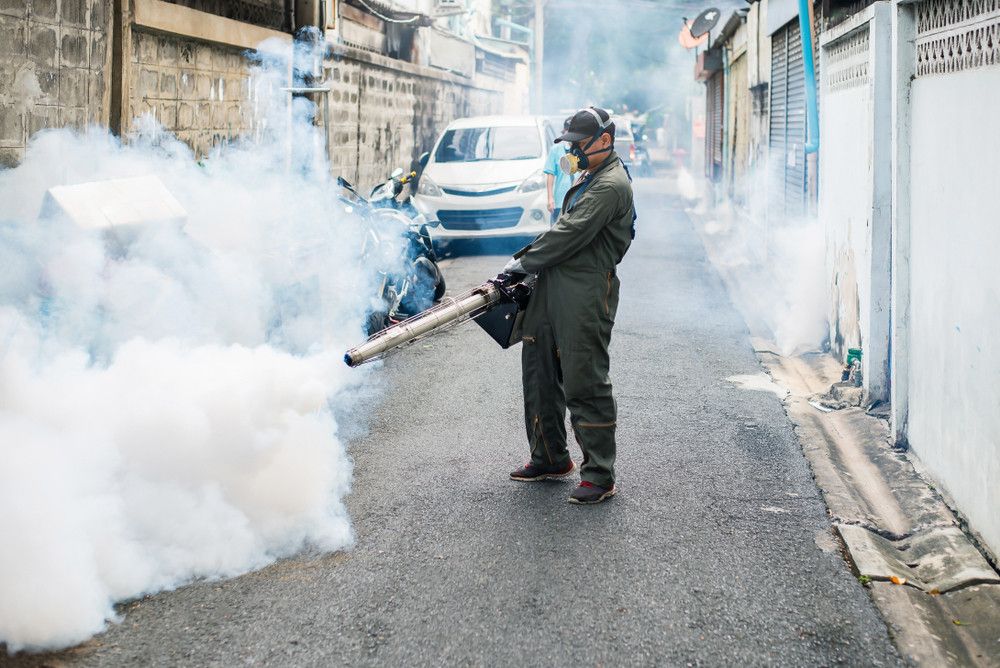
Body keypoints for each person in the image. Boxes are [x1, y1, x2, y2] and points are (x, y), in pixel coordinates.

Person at [502, 107, 636, 505]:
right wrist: (531, 269)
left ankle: (599, 473)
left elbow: (571, 231)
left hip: (585, 288)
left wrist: (524, 261)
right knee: (538, 369)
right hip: (554, 281)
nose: (572, 151)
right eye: (569, 144)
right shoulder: (589, 175)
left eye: (578, 143)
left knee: (583, 377)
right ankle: (549, 457)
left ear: (604, 141)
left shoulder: (610, 184)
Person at [543, 116, 574, 224]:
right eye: (568, 131)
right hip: (560, 200)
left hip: (580, 201)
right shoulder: (556, 150)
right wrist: (550, 198)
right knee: (557, 233)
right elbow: (550, 174)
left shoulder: (584, 150)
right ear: (564, 132)